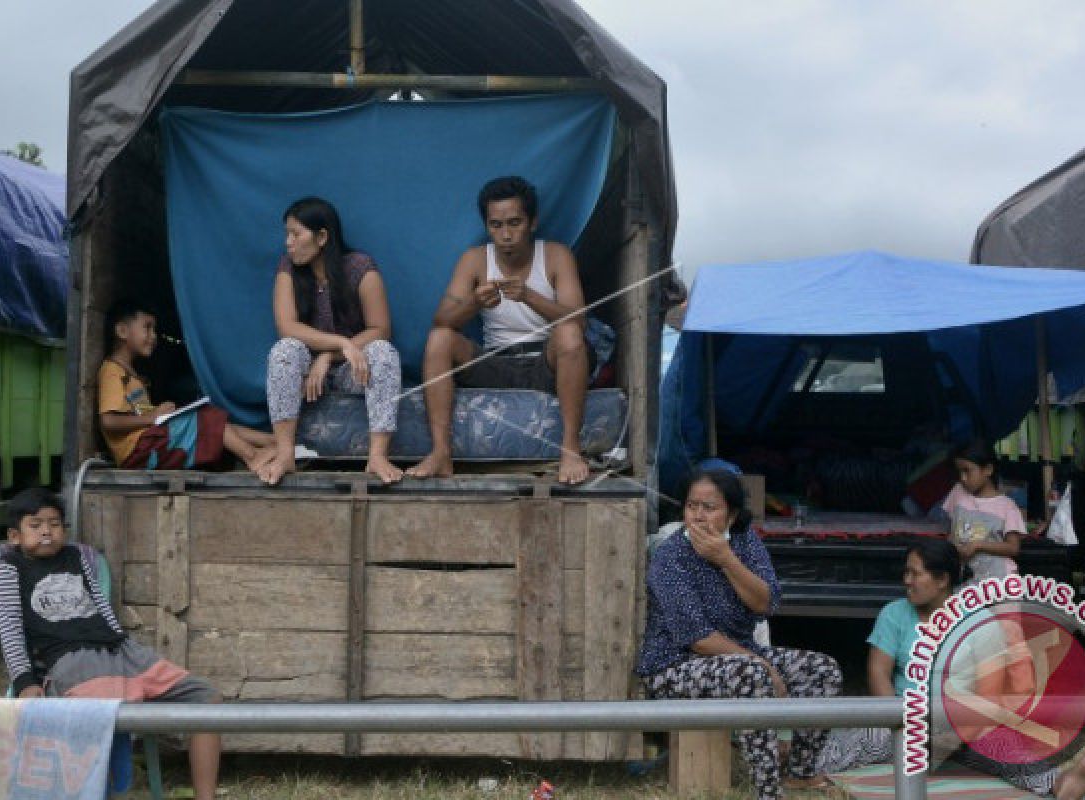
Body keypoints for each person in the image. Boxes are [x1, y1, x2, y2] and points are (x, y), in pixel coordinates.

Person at [816, 539, 1085, 800]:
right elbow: (878, 672)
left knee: (1007, 747)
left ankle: (1062, 783)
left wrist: (953, 738)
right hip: (903, 724)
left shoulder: (981, 623)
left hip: (965, 728)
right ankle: (790, 758)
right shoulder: (894, 613)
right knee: (850, 743)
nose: (907, 580)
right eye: (906, 572)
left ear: (942, 580)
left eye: (915, 573)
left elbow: (989, 695)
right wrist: (899, 722)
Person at [0, 488, 222, 800]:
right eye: (36, 524)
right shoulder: (8, 568)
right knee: (98, 718)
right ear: (15, 536)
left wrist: (127, 649)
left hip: (119, 650)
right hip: (71, 660)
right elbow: (9, 629)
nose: (47, 531)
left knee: (206, 698)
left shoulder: (79, 558)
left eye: (55, 524)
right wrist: (24, 681)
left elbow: (103, 611)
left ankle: (204, 797)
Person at [637, 468, 843, 800]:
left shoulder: (746, 542)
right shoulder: (670, 556)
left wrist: (726, 559)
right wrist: (761, 665)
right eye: (693, 507)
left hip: (738, 652)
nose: (699, 517)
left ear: (732, 515)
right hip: (673, 666)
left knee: (822, 670)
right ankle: (767, 791)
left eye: (710, 508)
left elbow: (765, 603)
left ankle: (800, 773)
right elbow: (698, 638)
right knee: (751, 675)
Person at [407, 176, 593, 484]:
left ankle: (570, 449)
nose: (505, 235)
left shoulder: (556, 255)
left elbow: (579, 321)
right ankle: (441, 453)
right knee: (440, 339)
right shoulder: (475, 259)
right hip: (495, 361)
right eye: (496, 225)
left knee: (569, 334)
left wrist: (530, 296)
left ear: (533, 223)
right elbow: (442, 321)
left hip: (544, 363)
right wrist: (473, 304)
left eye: (514, 223)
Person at [265, 196, 403, 485]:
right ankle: (285, 453)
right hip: (306, 372)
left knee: (383, 351)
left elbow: (380, 329)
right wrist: (340, 343)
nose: (288, 242)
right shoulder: (287, 270)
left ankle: (377, 455)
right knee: (284, 350)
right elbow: (287, 327)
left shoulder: (360, 267)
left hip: (347, 370)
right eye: (286, 234)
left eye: (295, 234)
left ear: (322, 237)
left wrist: (329, 357)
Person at [98, 298, 275, 473]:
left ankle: (273, 443)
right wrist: (152, 417)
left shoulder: (132, 374)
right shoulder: (113, 372)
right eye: (147, 327)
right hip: (137, 454)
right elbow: (109, 421)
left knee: (213, 420)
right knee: (206, 420)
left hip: (147, 445)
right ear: (122, 331)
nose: (153, 336)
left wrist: (159, 414)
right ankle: (252, 457)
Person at [943, 439, 1025, 582]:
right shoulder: (958, 492)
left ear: (988, 469)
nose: (962, 478)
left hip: (999, 582)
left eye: (967, 471)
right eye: (959, 472)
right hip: (964, 580)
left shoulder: (1007, 506)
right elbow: (951, 532)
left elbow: (1013, 547)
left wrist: (978, 545)